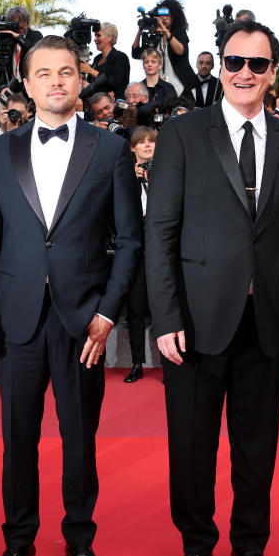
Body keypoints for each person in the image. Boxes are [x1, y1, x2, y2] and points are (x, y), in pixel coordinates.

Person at [145, 20, 279, 556]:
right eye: (234, 61)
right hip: (193, 322)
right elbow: (160, 232)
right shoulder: (182, 133)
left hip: (265, 321)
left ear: (274, 73)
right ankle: (195, 548)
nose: (244, 72)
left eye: (257, 64)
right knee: (190, 447)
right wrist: (165, 317)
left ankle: (250, 550)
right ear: (219, 64)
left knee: (257, 447)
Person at [0, 35, 142, 556]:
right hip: (17, 319)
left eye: (66, 72)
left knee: (79, 439)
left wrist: (109, 313)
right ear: (27, 82)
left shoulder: (109, 149)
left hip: (83, 322)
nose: (57, 82)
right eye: (45, 73)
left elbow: (131, 241)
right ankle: (18, 542)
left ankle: (79, 540)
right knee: (18, 438)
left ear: (81, 78)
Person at [124, 126, 157, 383]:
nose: (147, 145)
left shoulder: (166, 176)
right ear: (133, 147)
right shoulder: (124, 179)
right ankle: (137, 363)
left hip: (160, 255)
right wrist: (133, 181)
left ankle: (171, 363)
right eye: (142, 142)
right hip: (135, 255)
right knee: (135, 311)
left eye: (152, 141)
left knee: (164, 309)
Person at [131, 0, 198, 96]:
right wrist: (140, 30)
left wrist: (165, 31)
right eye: (162, 15)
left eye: (168, 15)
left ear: (175, 17)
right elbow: (136, 54)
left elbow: (180, 51)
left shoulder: (179, 32)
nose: (165, 18)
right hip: (163, 89)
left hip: (182, 87)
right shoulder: (156, 36)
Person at [81, 23, 130, 100]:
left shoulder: (120, 57)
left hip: (114, 106)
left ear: (109, 38)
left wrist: (91, 71)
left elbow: (116, 82)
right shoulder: (96, 59)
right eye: (95, 35)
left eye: (98, 35)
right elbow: (91, 84)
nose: (95, 39)